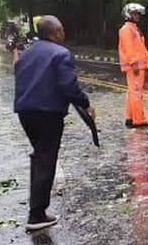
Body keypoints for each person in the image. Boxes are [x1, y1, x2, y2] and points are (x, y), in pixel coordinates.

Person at [14, 15, 94, 231]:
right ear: (55, 32)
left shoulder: (27, 52)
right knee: (46, 159)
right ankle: (37, 214)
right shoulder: (61, 53)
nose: (64, 34)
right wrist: (85, 103)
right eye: (62, 30)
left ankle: (36, 208)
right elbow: (69, 86)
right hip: (48, 112)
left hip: (25, 111)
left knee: (39, 155)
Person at [118, 3, 148, 128]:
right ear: (128, 15)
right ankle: (138, 120)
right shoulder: (126, 30)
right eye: (135, 14)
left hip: (138, 66)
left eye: (138, 14)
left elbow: (140, 47)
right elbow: (129, 48)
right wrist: (133, 63)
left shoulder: (133, 29)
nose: (137, 16)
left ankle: (130, 118)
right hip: (135, 67)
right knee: (136, 93)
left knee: (132, 92)